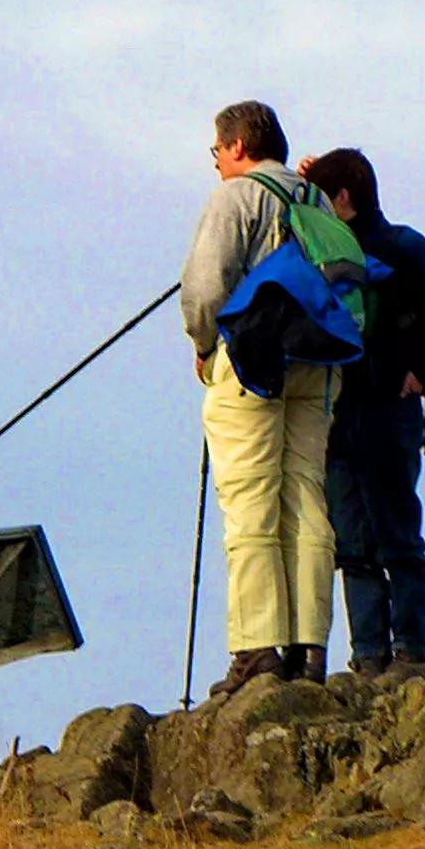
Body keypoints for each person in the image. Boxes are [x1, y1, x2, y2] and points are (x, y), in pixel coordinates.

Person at [299, 147, 425, 679]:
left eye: (322, 198)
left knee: (395, 536)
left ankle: (407, 654)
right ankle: (372, 659)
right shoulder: (330, 250)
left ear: (342, 198)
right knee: (353, 542)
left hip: (384, 410)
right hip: (344, 414)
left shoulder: (401, 247)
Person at [180, 101, 344, 694]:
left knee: (250, 498)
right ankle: (310, 647)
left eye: (217, 152)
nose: (217, 164)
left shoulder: (236, 197)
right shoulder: (315, 201)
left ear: (239, 146)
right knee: (305, 492)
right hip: (319, 363)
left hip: (252, 360)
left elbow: (204, 286)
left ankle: (256, 650)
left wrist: (202, 344)